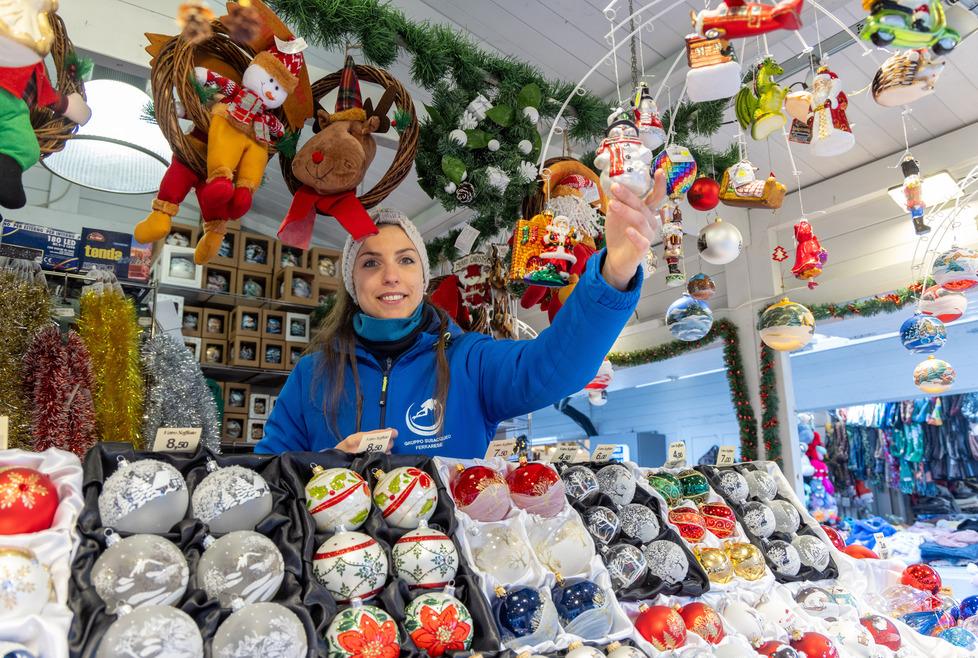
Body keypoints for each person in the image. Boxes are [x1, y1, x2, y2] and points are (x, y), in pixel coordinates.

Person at [254, 172, 666, 457]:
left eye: (406, 260)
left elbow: (555, 367)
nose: (391, 276)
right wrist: (329, 464)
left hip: (451, 576)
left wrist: (615, 271)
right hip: (337, 569)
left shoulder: (470, 361)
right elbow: (272, 473)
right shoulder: (312, 375)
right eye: (370, 263)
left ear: (423, 277)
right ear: (352, 284)